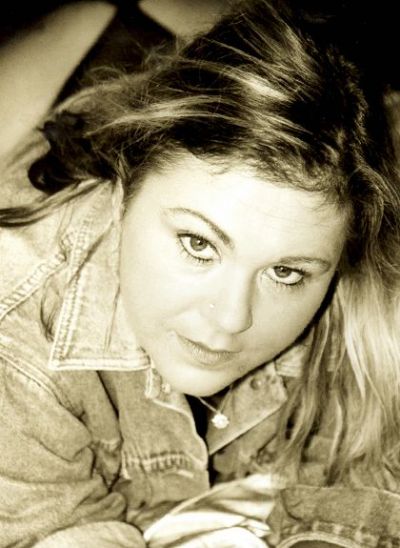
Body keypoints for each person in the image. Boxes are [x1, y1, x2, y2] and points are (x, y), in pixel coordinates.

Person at [1, 0, 400, 546]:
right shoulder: (16, 335)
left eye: (285, 272)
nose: (231, 319)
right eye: (198, 244)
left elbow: (363, 483)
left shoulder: (355, 277)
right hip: (93, 49)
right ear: (122, 193)